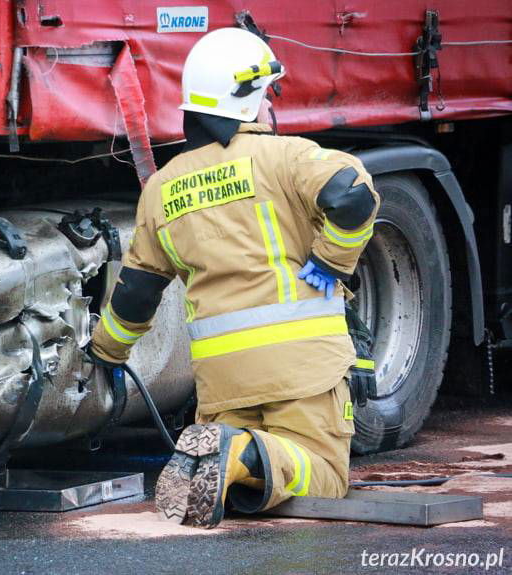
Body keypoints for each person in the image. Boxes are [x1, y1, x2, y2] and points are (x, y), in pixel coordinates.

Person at [88, 27, 379, 528]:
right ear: (248, 100)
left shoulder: (162, 187)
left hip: (222, 378)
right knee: (325, 476)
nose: (270, 107)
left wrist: (106, 352)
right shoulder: (285, 158)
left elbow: (137, 291)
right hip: (302, 367)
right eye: (266, 95)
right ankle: (241, 452)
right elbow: (353, 194)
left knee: (261, 467)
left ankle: (233, 458)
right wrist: (333, 261)